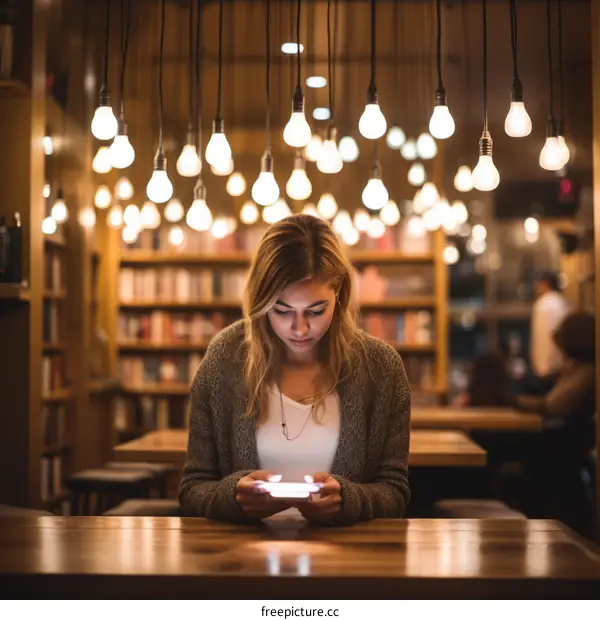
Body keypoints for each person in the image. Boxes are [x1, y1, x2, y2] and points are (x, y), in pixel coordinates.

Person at [179, 214, 411, 525]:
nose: (299, 328)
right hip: (240, 561)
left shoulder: (381, 369)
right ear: (260, 301)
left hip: (350, 560)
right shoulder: (225, 359)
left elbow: (395, 492)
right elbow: (192, 488)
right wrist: (232, 496)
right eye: (281, 310)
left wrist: (348, 500)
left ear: (339, 294)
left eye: (316, 310)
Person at [529, 271, 569, 394]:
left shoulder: (543, 304)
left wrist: (542, 364)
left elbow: (544, 337)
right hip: (561, 363)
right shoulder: (562, 303)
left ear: (545, 284)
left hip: (547, 365)